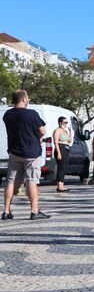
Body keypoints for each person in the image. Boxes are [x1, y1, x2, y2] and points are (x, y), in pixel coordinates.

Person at [2, 89, 49, 220]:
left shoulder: (7, 115)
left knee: (11, 181)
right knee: (32, 181)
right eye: (27, 98)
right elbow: (43, 130)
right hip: (31, 152)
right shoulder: (31, 114)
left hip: (14, 152)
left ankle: (6, 210)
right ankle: (34, 211)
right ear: (23, 99)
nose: (28, 100)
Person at [52, 116, 72, 192]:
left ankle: (62, 185)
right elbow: (56, 142)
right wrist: (58, 153)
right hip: (60, 148)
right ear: (60, 122)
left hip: (66, 148)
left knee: (64, 168)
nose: (66, 124)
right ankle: (59, 186)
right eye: (65, 122)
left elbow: (70, 141)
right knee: (61, 167)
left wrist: (70, 132)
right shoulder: (57, 130)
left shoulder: (65, 131)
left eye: (67, 122)